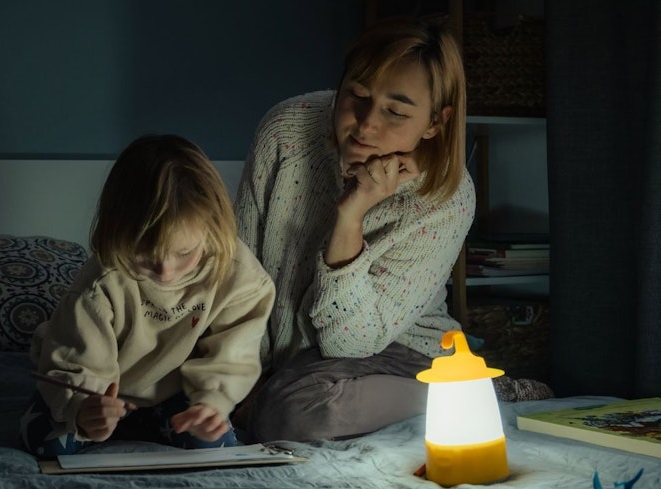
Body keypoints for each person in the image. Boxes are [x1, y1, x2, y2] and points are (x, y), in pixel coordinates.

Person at [234, 17, 549, 443]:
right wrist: (239, 377)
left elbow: (348, 342)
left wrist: (351, 215)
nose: (365, 126)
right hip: (292, 363)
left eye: (396, 113)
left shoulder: (447, 197)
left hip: (391, 353)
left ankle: (480, 393)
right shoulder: (286, 132)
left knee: (294, 414)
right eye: (356, 96)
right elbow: (239, 267)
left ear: (436, 122)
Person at [20, 134, 276, 458]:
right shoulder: (101, 284)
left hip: (175, 392)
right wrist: (84, 409)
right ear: (118, 232)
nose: (166, 272)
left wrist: (213, 401)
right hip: (100, 391)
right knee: (47, 442)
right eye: (144, 254)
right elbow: (75, 362)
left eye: (184, 252)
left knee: (215, 446)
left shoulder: (240, 276)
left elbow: (233, 354)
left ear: (212, 226)